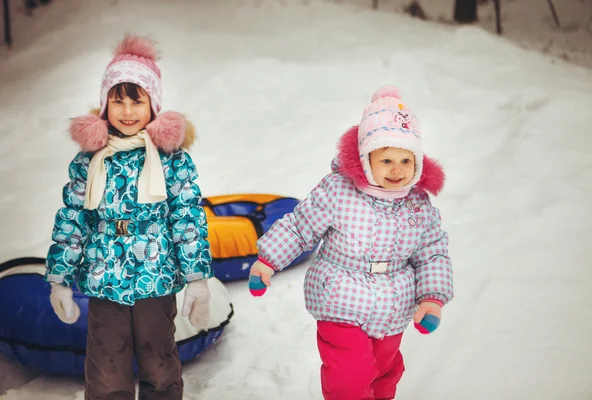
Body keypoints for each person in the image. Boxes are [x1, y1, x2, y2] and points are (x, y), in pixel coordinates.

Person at [249, 85, 454, 400]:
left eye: (405, 159)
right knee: (349, 375)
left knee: (385, 372)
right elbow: (299, 226)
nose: (397, 170)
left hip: (394, 304)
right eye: (386, 160)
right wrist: (267, 261)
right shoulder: (338, 191)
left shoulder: (418, 205)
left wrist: (431, 298)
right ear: (365, 158)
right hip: (339, 296)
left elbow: (432, 254)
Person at [45, 34, 212, 400]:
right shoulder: (91, 160)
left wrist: (197, 279)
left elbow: (187, 219)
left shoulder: (171, 159)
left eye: (137, 100)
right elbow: (72, 220)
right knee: (106, 369)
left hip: (156, 279)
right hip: (104, 279)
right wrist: (60, 279)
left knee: (159, 362)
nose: (127, 111)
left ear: (153, 103)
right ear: (105, 105)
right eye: (117, 100)